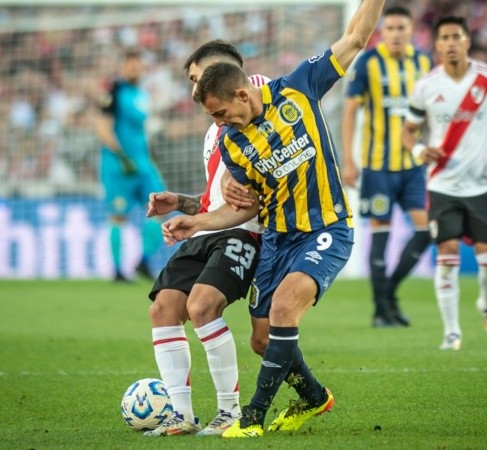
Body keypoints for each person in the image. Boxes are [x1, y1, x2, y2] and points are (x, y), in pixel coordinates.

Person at [163, 0, 386, 438]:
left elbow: (356, 36)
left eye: (220, 113)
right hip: (277, 240)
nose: (219, 123)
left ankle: (251, 417)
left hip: (326, 229)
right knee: (263, 340)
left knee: (285, 308)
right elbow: (244, 206)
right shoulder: (233, 144)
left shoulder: (300, 87)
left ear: (242, 94)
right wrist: (198, 221)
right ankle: (315, 397)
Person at [141, 40, 269, 437]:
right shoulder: (213, 130)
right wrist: (179, 203)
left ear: (219, 69)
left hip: (247, 231)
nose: (194, 90)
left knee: (203, 306)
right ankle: (181, 415)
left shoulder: (259, 91)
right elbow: (215, 199)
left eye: (196, 78)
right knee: (163, 308)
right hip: (211, 228)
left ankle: (229, 412)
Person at [402, 16, 487, 351]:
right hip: (443, 186)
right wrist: (421, 149)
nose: (451, 42)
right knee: (448, 255)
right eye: (445, 38)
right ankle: (452, 331)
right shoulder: (426, 86)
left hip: (482, 186)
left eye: (457, 36)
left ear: (467, 41)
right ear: (437, 45)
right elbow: (406, 131)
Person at [341, 5, 433, 328]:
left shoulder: (423, 63)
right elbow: (350, 111)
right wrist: (349, 160)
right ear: (382, 32)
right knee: (381, 234)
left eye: (401, 28)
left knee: (426, 230)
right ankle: (381, 310)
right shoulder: (368, 62)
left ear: (411, 31)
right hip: (377, 166)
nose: (395, 34)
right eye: (389, 28)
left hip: (412, 167)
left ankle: (388, 295)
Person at [94, 49, 165, 282]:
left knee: (161, 204)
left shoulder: (142, 94)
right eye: (130, 65)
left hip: (143, 163)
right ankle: (117, 271)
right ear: (123, 67)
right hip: (118, 165)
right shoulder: (114, 92)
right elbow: (102, 128)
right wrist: (121, 156)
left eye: (138, 65)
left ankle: (143, 261)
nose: (135, 69)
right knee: (118, 217)